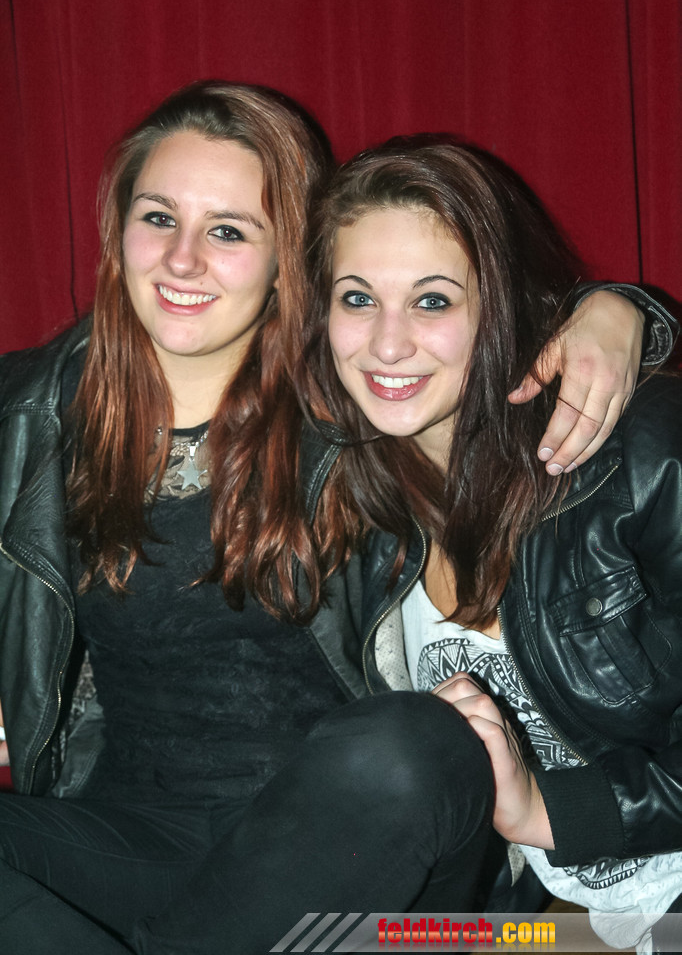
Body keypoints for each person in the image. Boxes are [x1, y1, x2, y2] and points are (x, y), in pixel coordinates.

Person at [0, 83, 675, 954]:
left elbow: (487, 327)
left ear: (290, 264)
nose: (181, 259)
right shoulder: (31, 417)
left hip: (357, 843)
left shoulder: (349, 410)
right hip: (132, 838)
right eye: (158, 218)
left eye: (229, 231)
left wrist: (622, 312)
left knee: (409, 744)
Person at [301, 134, 682, 952]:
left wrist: (544, 810)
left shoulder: (643, 456)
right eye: (358, 298)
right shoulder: (353, 500)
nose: (388, 344)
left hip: (666, 904)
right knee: (305, 939)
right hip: (529, 921)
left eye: (433, 301)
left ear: (500, 305)